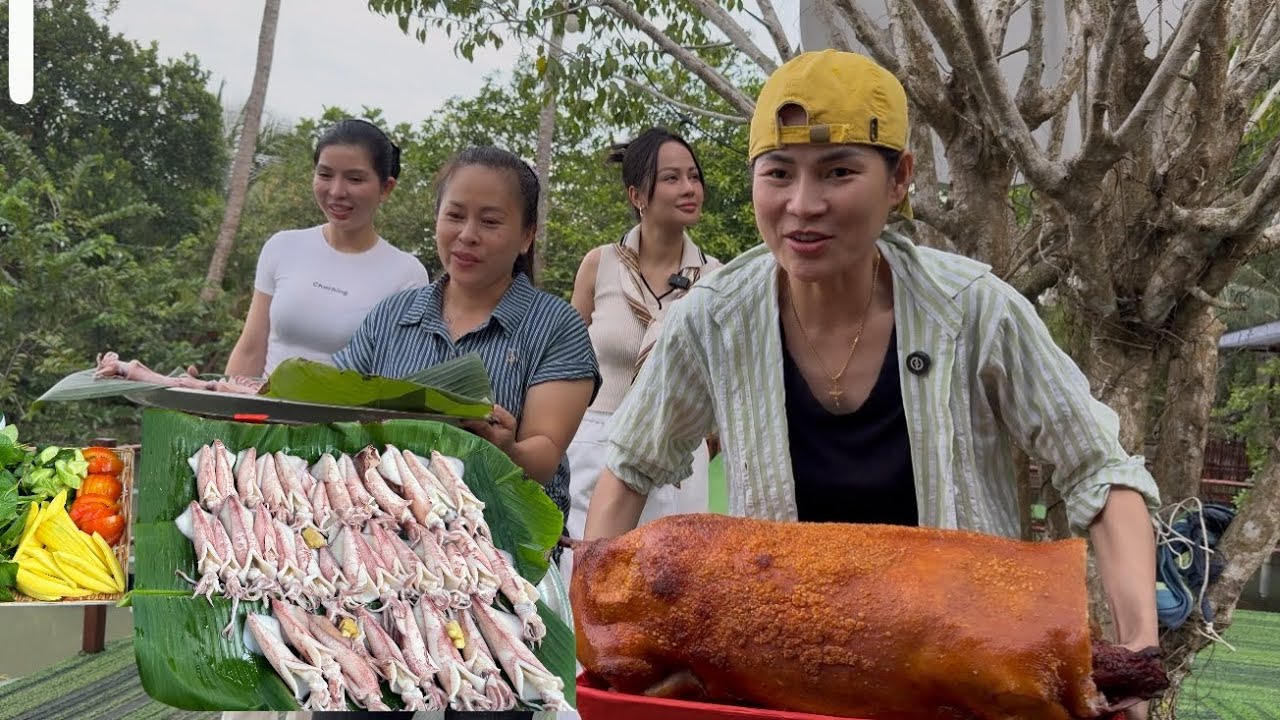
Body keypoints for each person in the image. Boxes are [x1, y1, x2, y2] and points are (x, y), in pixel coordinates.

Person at [582, 50, 1159, 718]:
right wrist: (603, 645)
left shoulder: (974, 310)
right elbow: (628, 468)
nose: (802, 205)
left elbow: (1102, 475)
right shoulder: (716, 317)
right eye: (778, 174)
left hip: (963, 686)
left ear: (899, 180)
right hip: (783, 694)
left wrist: (1137, 648)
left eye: (838, 172)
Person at [333, 145, 600, 528]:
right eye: (455, 216)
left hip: (502, 546)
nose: (467, 235)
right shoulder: (391, 315)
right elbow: (334, 407)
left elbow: (545, 455)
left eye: (490, 222)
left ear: (527, 236)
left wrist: (507, 449)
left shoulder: (556, 326)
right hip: (386, 536)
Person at [560, 127, 722, 580]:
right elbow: (569, 362)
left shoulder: (716, 279)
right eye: (672, 178)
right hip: (595, 443)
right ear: (637, 194)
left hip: (674, 455)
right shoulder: (600, 264)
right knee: (590, 578)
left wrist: (700, 443)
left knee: (671, 586)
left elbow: (722, 380)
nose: (689, 188)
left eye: (694, 176)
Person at [225, 118, 430, 378]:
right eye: (325, 174)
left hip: (345, 419)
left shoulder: (407, 275)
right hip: (264, 415)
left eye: (355, 179)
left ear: (386, 188)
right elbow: (250, 350)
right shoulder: (282, 247)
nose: (336, 191)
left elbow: (397, 376)